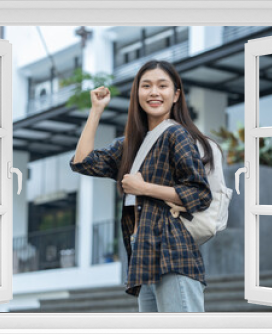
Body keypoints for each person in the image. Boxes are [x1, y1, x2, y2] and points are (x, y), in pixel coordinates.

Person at [70, 60, 215, 312]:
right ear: (137, 93)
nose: (154, 92)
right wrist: (96, 110)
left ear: (176, 94)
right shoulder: (130, 144)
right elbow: (83, 163)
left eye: (162, 86)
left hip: (172, 251)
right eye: (146, 86)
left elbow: (199, 193)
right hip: (142, 250)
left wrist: (144, 188)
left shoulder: (176, 134)